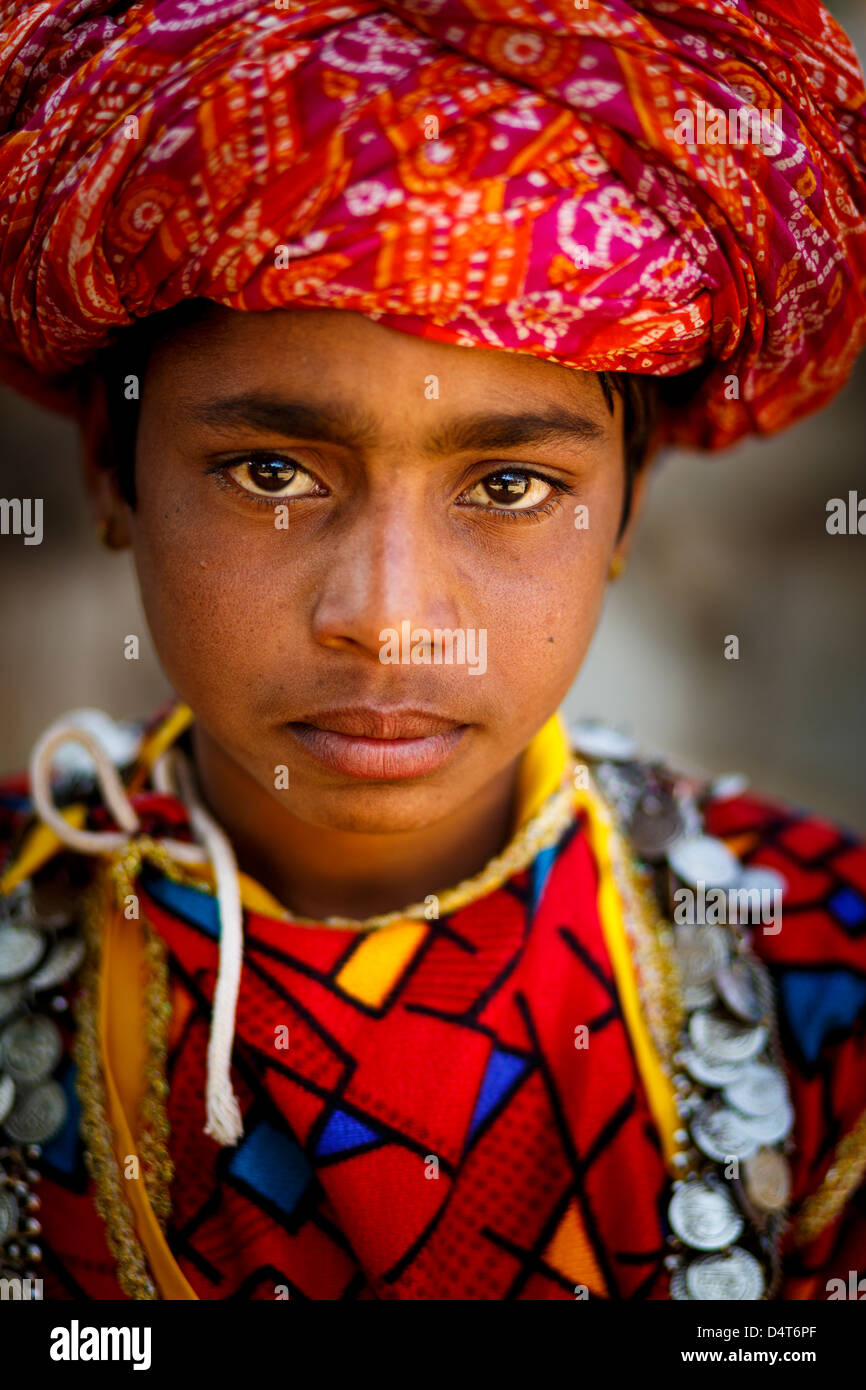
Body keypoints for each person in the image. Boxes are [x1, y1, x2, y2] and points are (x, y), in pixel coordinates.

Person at [0, 0, 864, 1302]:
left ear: (624, 505)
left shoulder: (829, 972)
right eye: (271, 468)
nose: (388, 611)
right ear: (109, 475)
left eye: (509, 484)